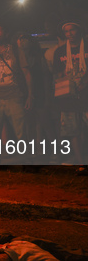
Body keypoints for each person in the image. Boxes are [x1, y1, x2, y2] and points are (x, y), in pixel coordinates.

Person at [0, 24, 33, 165]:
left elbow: (26, 72)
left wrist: (30, 95)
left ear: (6, 33)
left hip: (14, 97)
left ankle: (27, 161)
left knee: (21, 133)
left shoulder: (15, 49)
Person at [52, 21, 88, 174]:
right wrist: (65, 80)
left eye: (72, 30)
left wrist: (84, 82)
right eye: (66, 31)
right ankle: (81, 162)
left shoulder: (86, 47)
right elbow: (55, 74)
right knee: (72, 130)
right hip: (68, 97)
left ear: (78, 30)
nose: (69, 34)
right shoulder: (60, 51)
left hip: (85, 95)